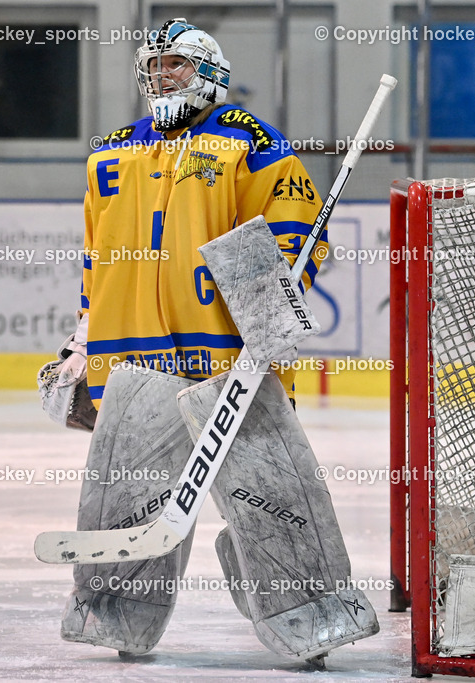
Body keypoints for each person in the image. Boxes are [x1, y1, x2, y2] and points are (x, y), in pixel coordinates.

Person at [42, 18, 378, 663]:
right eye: (154, 66)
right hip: (131, 357)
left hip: (229, 356)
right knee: (127, 496)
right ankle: (116, 619)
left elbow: (294, 235)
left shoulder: (251, 143)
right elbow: (97, 257)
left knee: (269, 491)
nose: (162, 77)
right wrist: (83, 341)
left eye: (177, 65)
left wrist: (270, 317)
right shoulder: (110, 151)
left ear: (211, 72)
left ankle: (312, 618)